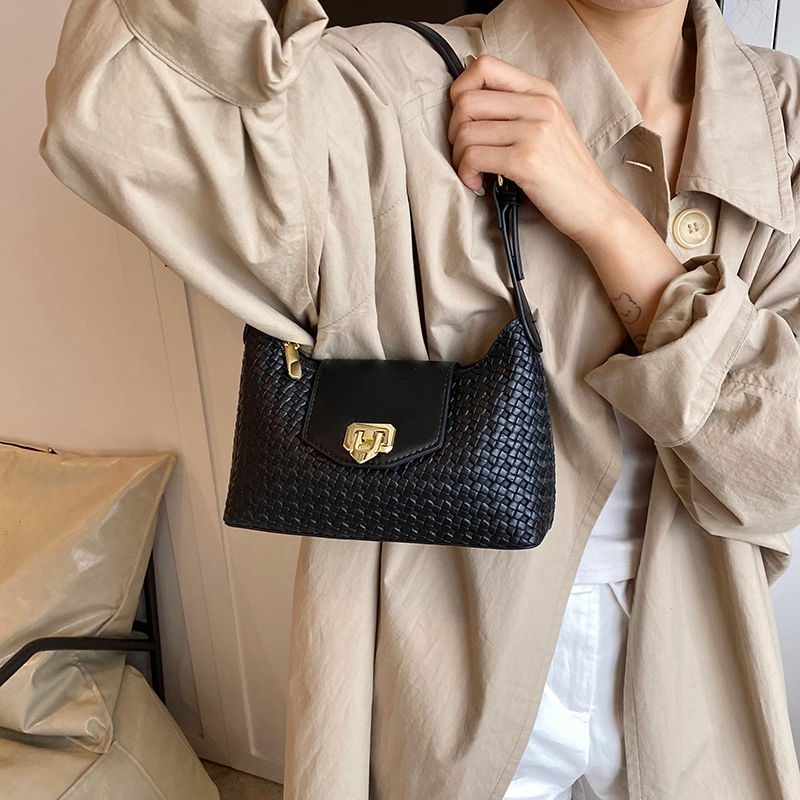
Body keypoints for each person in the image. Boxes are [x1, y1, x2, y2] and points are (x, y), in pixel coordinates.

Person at [40, 0, 800, 797]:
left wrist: (605, 219)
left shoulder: (778, 121)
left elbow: (779, 470)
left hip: (695, 648)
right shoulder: (399, 86)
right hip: (441, 654)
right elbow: (119, 110)